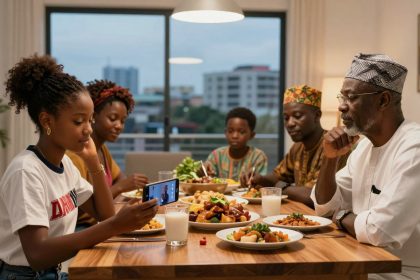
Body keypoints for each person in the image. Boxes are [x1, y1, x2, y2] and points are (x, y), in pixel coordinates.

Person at [0, 54, 158, 280]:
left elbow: (104, 213)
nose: (87, 129)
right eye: (78, 121)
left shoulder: (65, 164)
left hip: (51, 272)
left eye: (90, 120)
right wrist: (114, 226)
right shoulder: (26, 171)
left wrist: (93, 162)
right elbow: (37, 253)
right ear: (47, 121)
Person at [311, 53, 420, 280]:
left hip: (401, 272)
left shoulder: (414, 147)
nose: (341, 107)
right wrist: (329, 159)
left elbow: (379, 231)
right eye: (342, 97)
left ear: (383, 100)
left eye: (351, 97)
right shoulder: (362, 148)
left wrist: (339, 216)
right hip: (360, 259)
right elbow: (323, 207)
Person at [243, 85, 349, 208]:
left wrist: (280, 186)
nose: (290, 123)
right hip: (302, 213)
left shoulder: (335, 146)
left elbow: (316, 196)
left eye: (297, 116)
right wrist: (259, 178)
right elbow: (278, 176)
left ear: (317, 115)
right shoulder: (297, 147)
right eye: (286, 118)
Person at [66, 79, 148, 229]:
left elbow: (119, 178)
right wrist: (121, 187)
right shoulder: (75, 156)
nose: (119, 126)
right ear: (93, 116)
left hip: (103, 221)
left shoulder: (102, 149)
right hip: (83, 227)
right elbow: (90, 210)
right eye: (113, 118)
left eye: (123, 121)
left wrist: (123, 184)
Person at [204, 107, 268, 181]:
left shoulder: (258, 157)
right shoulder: (216, 155)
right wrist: (204, 172)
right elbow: (207, 179)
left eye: (241, 132)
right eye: (230, 131)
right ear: (225, 132)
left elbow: (261, 184)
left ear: (252, 135)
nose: (235, 136)